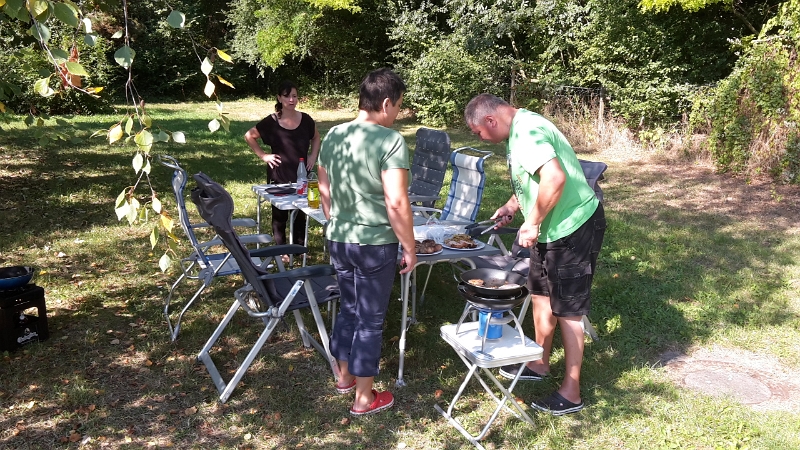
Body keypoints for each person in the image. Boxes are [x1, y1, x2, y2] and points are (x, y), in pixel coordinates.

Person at [464, 94, 606, 416]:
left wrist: (532, 222)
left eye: (478, 133)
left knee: (568, 309)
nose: (481, 139)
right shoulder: (517, 130)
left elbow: (555, 178)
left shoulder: (527, 131)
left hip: (572, 226)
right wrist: (514, 206)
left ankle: (571, 392)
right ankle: (540, 363)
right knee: (541, 294)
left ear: (491, 121)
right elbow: (534, 176)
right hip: (547, 228)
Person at [317, 68, 417, 416]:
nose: (398, 113)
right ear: (386, 103)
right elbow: (397, 202)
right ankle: (364, 397)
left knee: (349, 308)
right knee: (370, 320)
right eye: (399, 106)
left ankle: (344, 376)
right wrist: (410, 246)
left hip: (340, 239)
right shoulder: (390, 140)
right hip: (376, 244)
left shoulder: (333, 136)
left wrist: (336, 222)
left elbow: (324, 189)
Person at [244, 81, 321, 249]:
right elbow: (249, 135)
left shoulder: (306, 120)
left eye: (294, 96)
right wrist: (263, 155)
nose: (291, 100)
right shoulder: (272, 121)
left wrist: (313, 156)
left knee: (302, 212)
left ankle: (299, 248)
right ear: (279, 98)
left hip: (302, 173)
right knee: (280, 215)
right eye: (287, 96)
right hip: (279, 174)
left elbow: (316, 137)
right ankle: (282, 249)